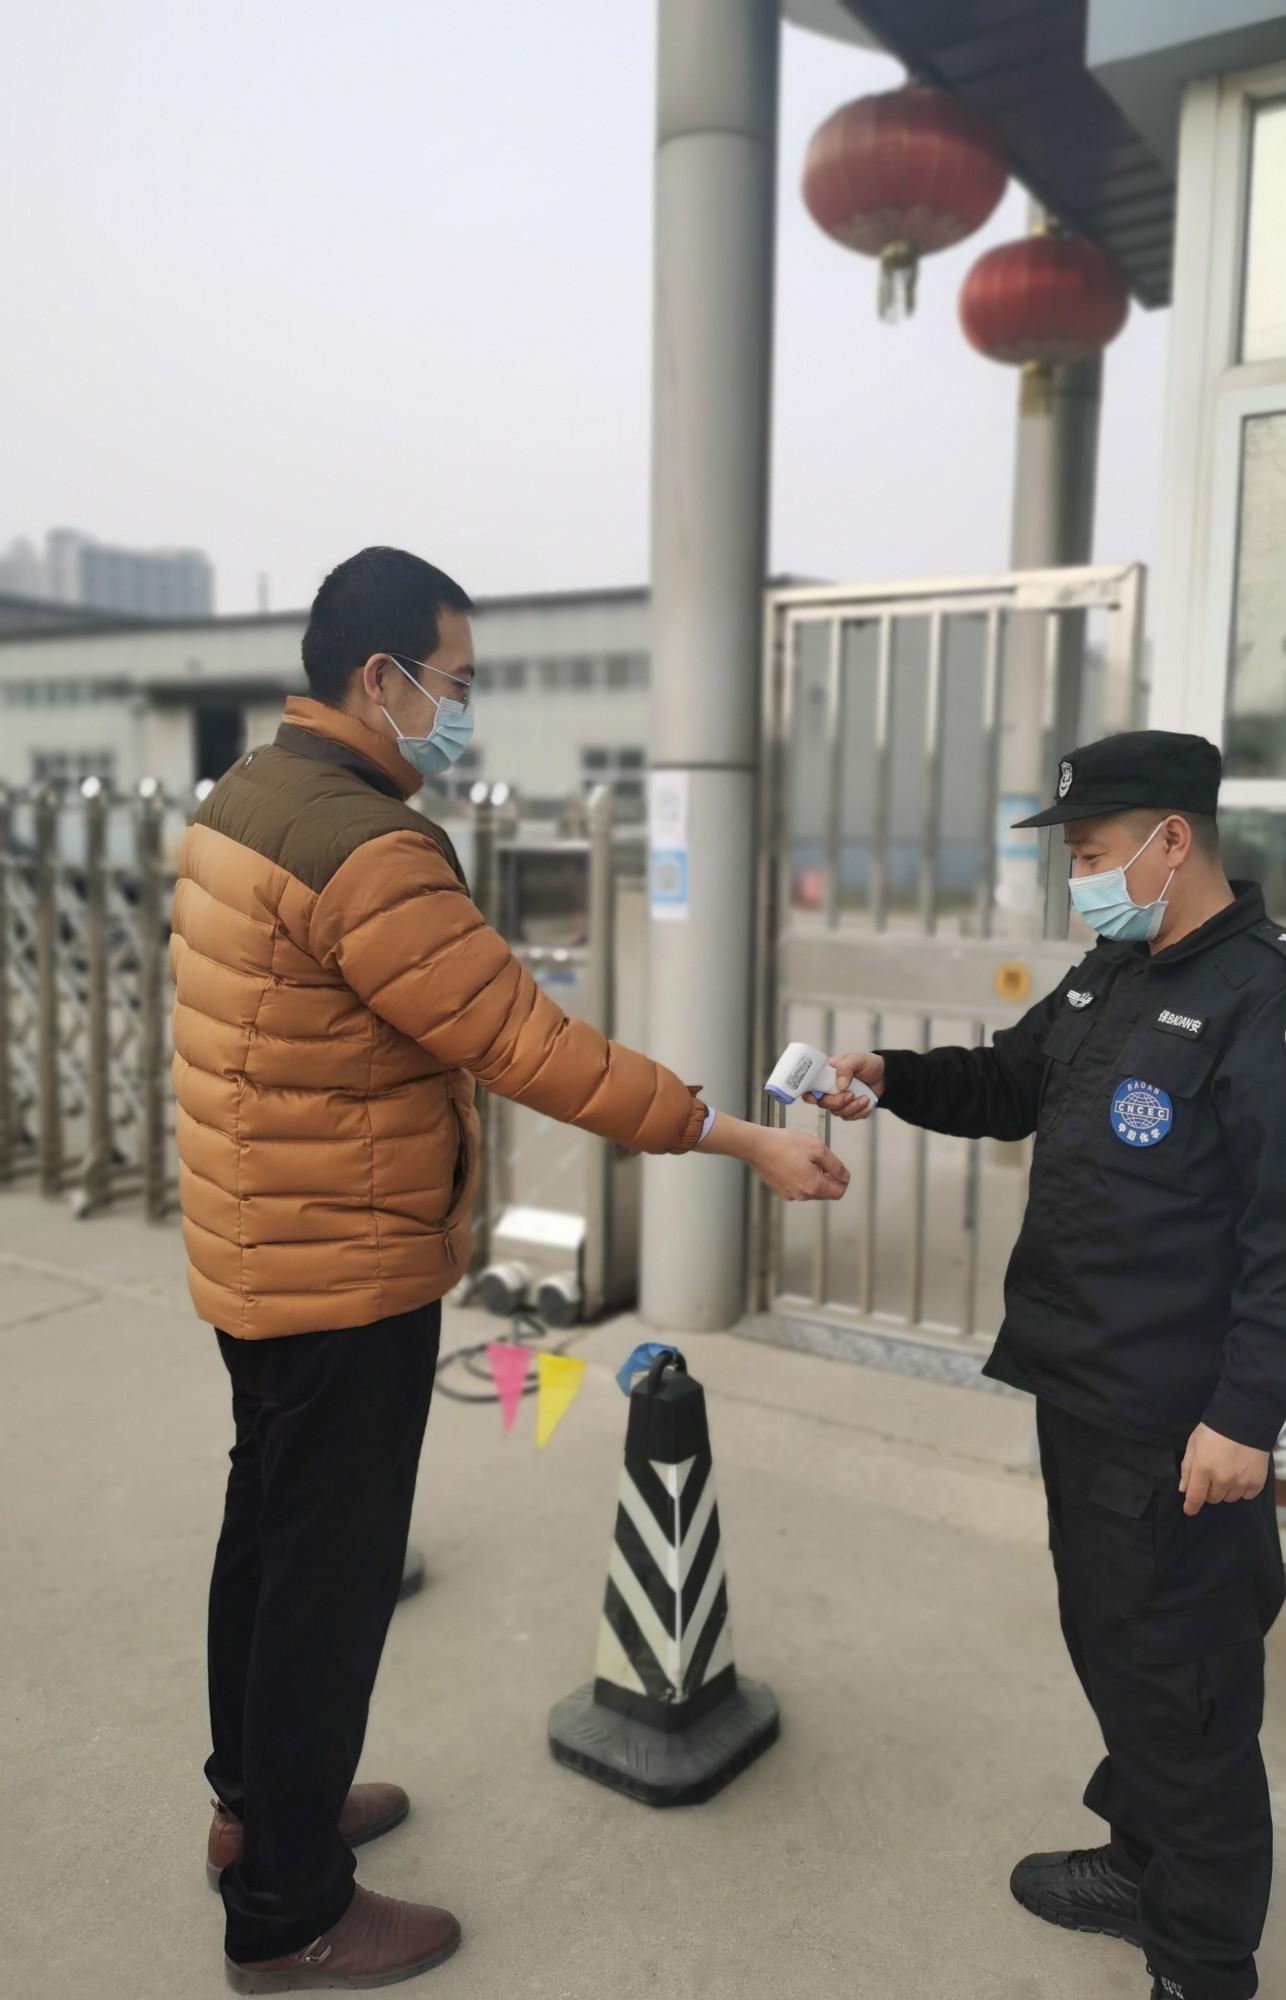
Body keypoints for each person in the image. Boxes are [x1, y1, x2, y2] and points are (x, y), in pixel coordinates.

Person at [171, 546, 849, 1991]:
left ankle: (257, 1808)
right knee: (326, 1582)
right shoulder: (368, 846)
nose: (463, 710)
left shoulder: (244, 797)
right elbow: (532, 1046)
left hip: (257, 1247)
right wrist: (736, 1136)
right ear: (381, 679)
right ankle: (288, 1907)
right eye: (455, 682)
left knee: (267, 1540)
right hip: (344, 1266)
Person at [813, 730, 1286, 2000]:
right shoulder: (1118, 968)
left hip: (1181, 1423)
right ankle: (1141, 1862)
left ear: (1173, 839)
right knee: (1117, 1644)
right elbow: (1011, 1082)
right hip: (1083, 1387)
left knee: (1186, 1687)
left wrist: (1246, 1413)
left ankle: (1203, 1963)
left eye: (1093, 851)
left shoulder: (1279, 1002)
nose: (1080, 877)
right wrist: (890, 1077)